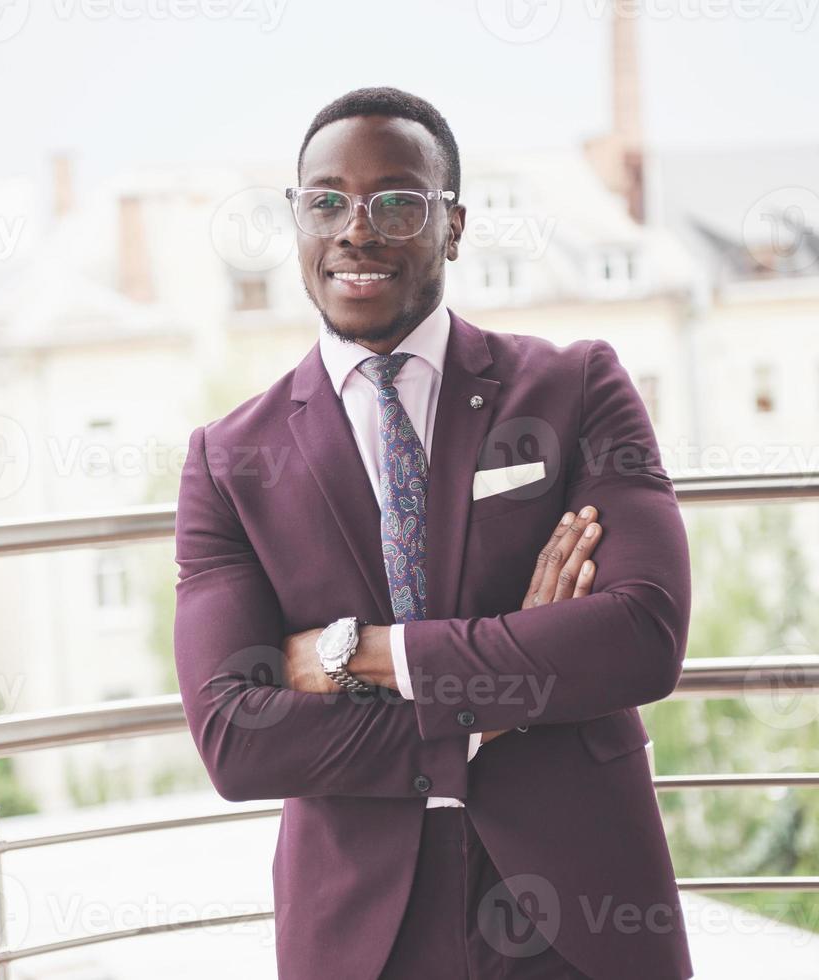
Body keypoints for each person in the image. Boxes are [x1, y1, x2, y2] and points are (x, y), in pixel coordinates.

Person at [173, 86, 693, 980]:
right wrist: (512, 697)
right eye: (325, 200)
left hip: (583, 900)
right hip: (359, 928)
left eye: (398, 202)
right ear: (295, 220)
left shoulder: (573, 390)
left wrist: (359, 655)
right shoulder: (229, 459)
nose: (356, 230)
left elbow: (640, 637)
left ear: (451, 225)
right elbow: (235, 736)